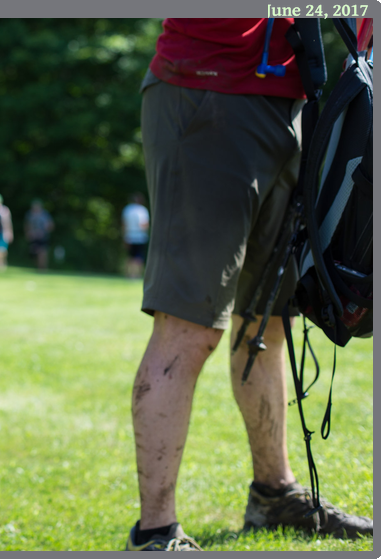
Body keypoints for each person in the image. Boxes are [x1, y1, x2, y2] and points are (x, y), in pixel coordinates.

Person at [126, 18, 372, 551]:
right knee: (189, 326)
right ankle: (154, 533)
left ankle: (274, 495)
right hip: (208, 87)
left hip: (294, 98)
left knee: (268, 321)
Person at [121, 193, 149, 279]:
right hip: (140, 236)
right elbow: (144, 225)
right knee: (139, 257)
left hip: (129, 236)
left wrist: (124, 236)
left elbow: (124, 225)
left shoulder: (127, 209)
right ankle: (137, 275)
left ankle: (128, 274)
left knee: (130, 256)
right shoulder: (142, 210)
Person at [24, 199, 54, 271]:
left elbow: (51, 225)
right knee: (34, 253)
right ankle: (38, 267)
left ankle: (43, 268)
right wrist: (28, 233)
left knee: (43, 252)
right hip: (33, 237)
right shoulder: (30, 214)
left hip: (43, 237)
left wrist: (45, 230)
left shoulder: (45, 215)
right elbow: (27, 225)